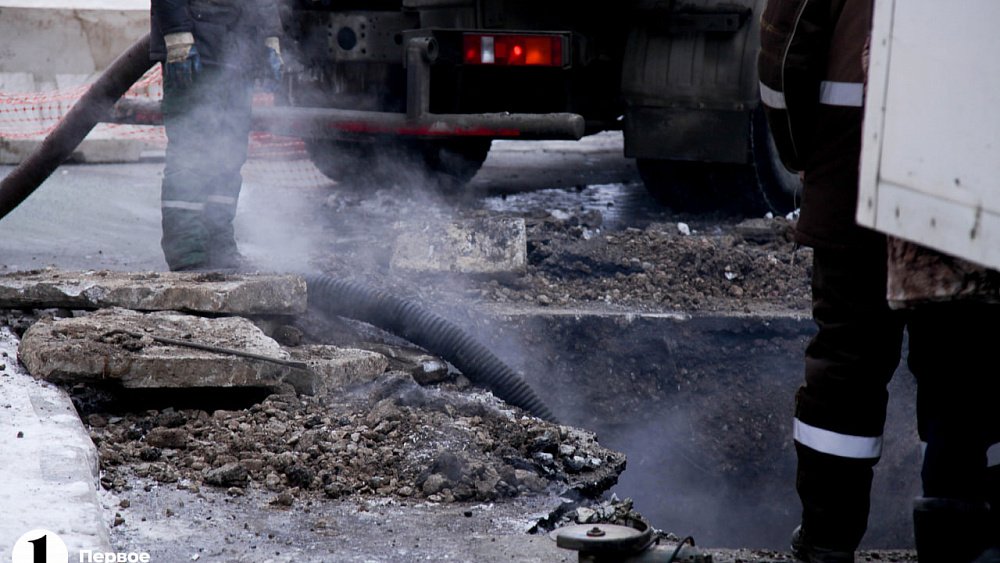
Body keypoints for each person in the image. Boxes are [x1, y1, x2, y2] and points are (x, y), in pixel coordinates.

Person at [758, 1, 1000, 561]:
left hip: (855, 173)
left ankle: (825, 544)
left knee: (847, 363)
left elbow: (786, 50)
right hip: (969, 182)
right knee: (967, 364)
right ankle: (962, 542)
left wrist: (803, 155)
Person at [150, 0, 283, 271]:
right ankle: (187, 252)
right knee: (191, 153)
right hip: (196, 47)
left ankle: (219, 245)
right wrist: (177, 35)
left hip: (240, 50)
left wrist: (270, 37)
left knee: (229, 154)